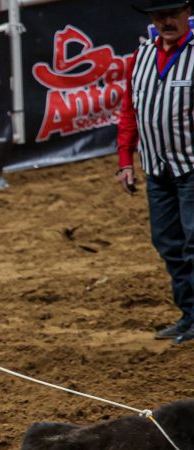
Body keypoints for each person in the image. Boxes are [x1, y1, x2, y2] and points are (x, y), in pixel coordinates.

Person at [118, 0, 194, 344]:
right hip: (157, 168)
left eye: (173, 13)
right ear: (152, 19)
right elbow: (129, 111)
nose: (167, 20)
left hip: (191, 166)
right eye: (160, 15)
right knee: (167, 242)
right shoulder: (141, 57)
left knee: (193, 244)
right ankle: (190, 314)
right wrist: (124, 160)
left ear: (187, 14)